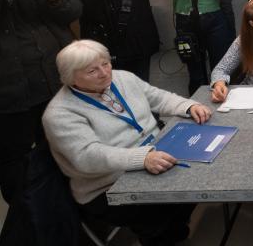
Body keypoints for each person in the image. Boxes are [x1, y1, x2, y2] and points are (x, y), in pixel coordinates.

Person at [42, 40, 212, 245]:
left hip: (156, 153)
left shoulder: (123, 78)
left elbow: (158, 98)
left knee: (201, 177)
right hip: (107, 185)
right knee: (163, 209)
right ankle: (161, 235)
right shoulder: (60, 113)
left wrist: (188, 106)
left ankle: (174, 229)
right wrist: (142, 158)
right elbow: (87, 156)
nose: (104, 73)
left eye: (105, 63)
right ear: (70, 77)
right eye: (92, 71)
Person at [0, 0, 82, 244]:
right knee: (19, 167)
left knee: (62, 153)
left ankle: (66, 219)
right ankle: (33, 226)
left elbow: (72, 12)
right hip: (4, 98)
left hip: (52, 85)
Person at [161, 0, 235, 96]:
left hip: (213, 17)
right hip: (185, 20)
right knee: (194, 70)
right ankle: (198, 107)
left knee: (219, 66)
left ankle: (221, 102)